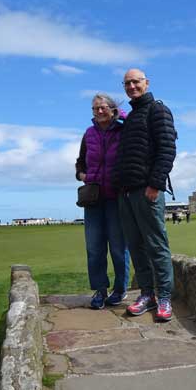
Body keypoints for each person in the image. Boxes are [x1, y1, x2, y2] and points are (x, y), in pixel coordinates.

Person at [113, 68, 177, 322]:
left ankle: (164, 298)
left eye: (135, 82)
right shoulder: (131, 117)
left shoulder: (158, 110)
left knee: (156, 245)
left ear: (146, 83)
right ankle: (147, 295)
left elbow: (167, 149)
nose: (131, 86)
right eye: (127, 83)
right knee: (136, 246)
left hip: (147, 191)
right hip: (126, 192)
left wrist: (155, 184)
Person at [75, 94, 130, 310]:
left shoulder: (123, 130)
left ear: (112, 109)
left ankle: (120, 289)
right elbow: (80, 162)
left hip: (117, 197)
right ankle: (100, 289)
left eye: (103, 107)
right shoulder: (89, 133)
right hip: (93, 199)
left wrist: (122, 117)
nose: (99, 111)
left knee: (118, 248)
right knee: (94, 248)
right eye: (95, 108)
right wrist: (83, 176)